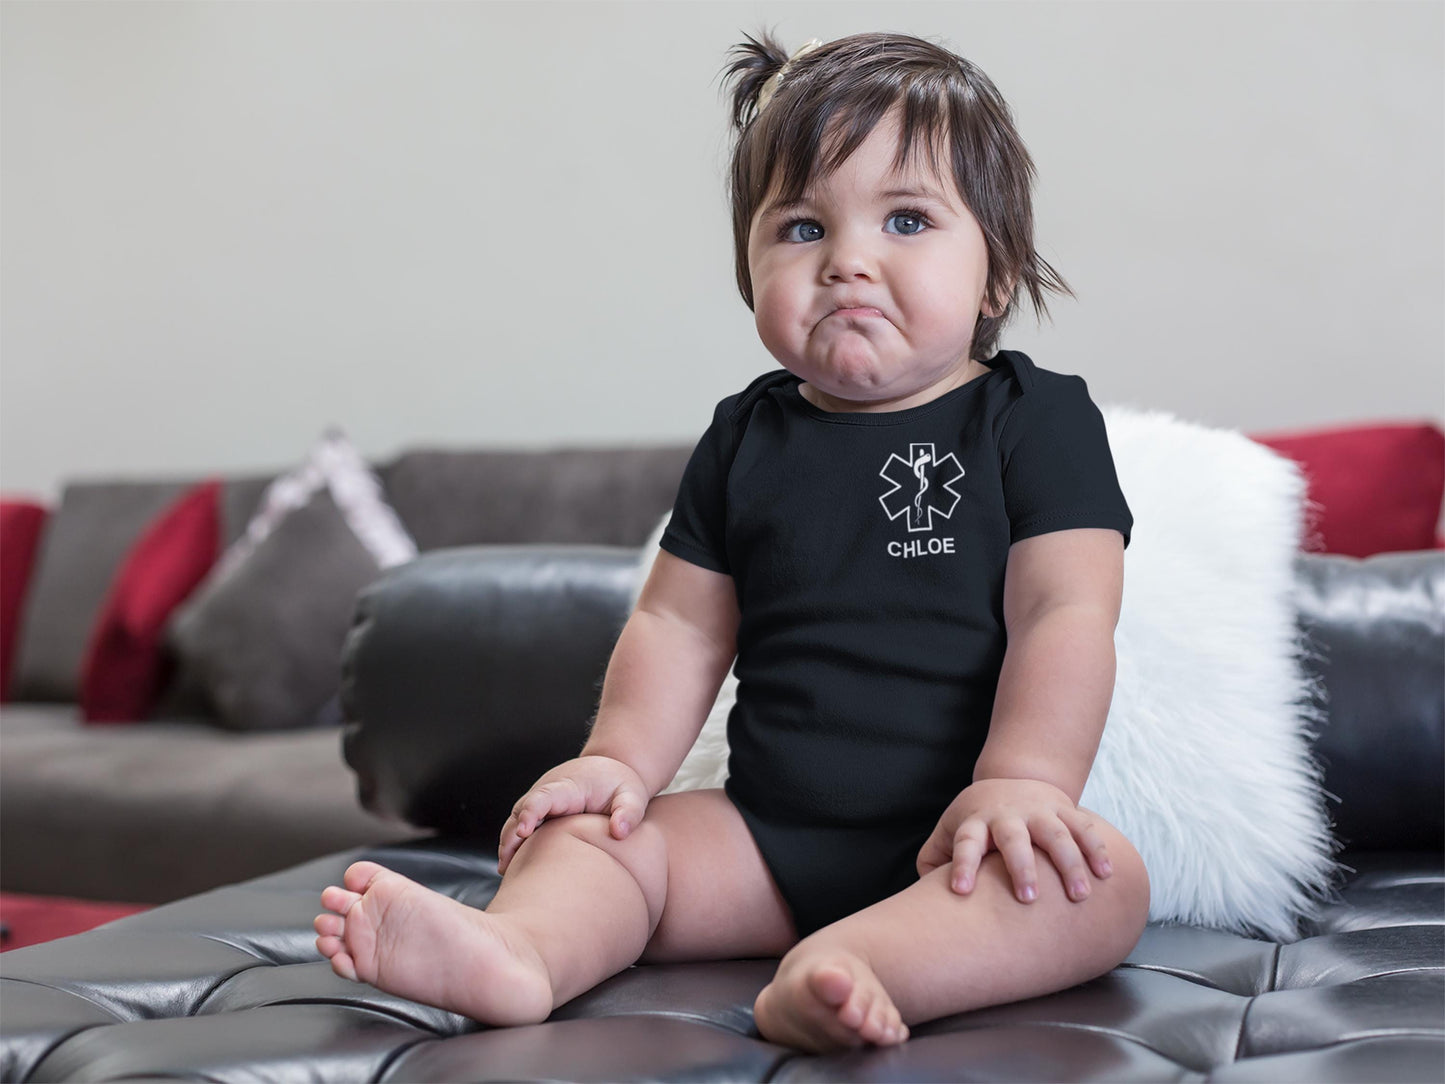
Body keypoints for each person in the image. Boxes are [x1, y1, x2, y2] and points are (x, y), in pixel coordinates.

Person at [315, 29, 1151, 1054]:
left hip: (957, 841)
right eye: (801, 228)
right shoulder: (746, 436)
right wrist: (617, 759)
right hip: (758, 837)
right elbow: (674, 623)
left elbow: (1065, 608)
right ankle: (520, 953)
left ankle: (855, 968)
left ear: (993, 274)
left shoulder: (1034, 419)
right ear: (748, 266)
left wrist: (1023, 778)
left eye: (904, 218)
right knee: (593, 839)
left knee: (1100, 883)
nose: (847, 259)